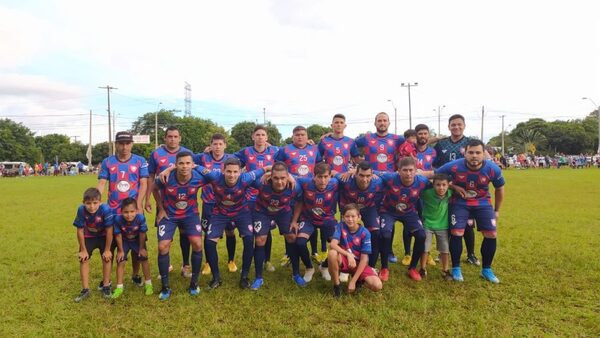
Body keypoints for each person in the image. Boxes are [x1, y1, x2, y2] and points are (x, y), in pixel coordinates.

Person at [436, 139, 505, 283]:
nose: (474, 156)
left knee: (491, 234)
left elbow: (499, 189)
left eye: (478, 152)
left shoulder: (492, 169)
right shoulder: (454, 166)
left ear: (483, 154)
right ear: (465, 153)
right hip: (460, 202)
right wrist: (454, 187)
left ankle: (486, 269)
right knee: (457, 232)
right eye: (471, 152)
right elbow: (436, 176)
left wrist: (497, 210)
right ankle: (456, 268)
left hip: (483, 202)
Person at [197, 158, 270, 289]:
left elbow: (266, 168)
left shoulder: (246, 178)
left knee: (249, 239)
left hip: (241, 212)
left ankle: (244, 276)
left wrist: (288, 177)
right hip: (220, 212)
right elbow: (193, 166)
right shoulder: (214, 176)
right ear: (223, 171)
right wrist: (168, 170)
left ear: (240, 172)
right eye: (229, 171)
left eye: (235, 172)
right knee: (209, 241)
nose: (232, 175)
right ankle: (216, 278)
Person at [96, 131, 149, 286]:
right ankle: (107, 280)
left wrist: (139, 204)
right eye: (121, 143)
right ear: (116, 144)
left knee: (137, 244)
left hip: (134, 211)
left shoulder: (140, 161)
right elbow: (101, 183)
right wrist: (97, 202)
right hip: (113, 212)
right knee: (111, 246)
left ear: (132, 144)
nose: (124, 147)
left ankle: (135, 275)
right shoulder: (107, 161)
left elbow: (144, 183)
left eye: (127, 143)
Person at [154, 151, 208, 300]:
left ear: (192, 164)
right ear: (175, 165)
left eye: (188, 163)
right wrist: (161, 209)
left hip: (190, 215)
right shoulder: (166, 177)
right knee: (162, 246)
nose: (184, 166)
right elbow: (153, 188)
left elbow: (215, 180)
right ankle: (165, 286)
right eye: (181, 163)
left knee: (197, 244)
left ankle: (194, 283)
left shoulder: (199, 178)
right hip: (169, 215)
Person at [355, 112, 405, 264]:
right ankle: (365, 248)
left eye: (384, 120)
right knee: (370, 218)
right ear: (375, 123)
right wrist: (359, 163)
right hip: (370, 183)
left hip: (389, 185)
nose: (382, 123)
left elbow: (415, 140)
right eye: (379, 120)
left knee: (388, 217)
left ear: (389, 123)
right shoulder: (367, 138)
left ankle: (388, 251)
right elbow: (349, 144)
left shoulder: (397, 138)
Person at [146, 126, 193, 278]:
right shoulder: (156, 154)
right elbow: (151, 178)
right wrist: (150, 200)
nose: (172, 139)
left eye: (175, 136)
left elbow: (198, 167)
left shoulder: (188, 153)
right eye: (170, 136)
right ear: (165, 138)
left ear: (180, 138)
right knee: (165, 237)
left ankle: (186, 265)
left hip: (184, 204)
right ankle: (167, 266)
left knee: (185, 236)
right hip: (164, 203)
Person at [432, 114, 480, 266]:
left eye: (459, 124)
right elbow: (435, 166)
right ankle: (443, 252)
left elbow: (482, 161)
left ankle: (471, 254)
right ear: (449, 127)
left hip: (466, 191)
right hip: (446, 189)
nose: (456, 127)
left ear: (464, 126)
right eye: (453, 124)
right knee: (447, 222)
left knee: (467, 224)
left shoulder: (469, 143)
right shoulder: (441, 144)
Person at [275, 126, 324, 265]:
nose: (300, 137)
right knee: (290, 222)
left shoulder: (314, 149)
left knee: (312, 219)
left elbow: (320, 166)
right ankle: (288, 253)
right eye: (297, 135)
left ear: (307, 136)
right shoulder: (285, 150)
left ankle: (314, 252)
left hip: (310, 190)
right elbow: (278, 166)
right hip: (292, 191)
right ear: (292, 136)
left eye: (302, 134)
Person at [376, 157, 431, 282]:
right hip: (388, 211)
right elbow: (372, 172)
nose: (408, 173)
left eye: (411, 170)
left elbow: (439, 181)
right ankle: (384, 268)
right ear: (398, 171)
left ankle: (412, 268)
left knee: (421, 236)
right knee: (385, 235)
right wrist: (353, 171)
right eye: (405, 170)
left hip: (409, 212)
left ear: (416, 170)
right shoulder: (390, 178)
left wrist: (453, 186)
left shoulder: (422, 181)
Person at [234, 125, 279, 273]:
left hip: (268, 198)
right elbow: (227, 158)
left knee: (267, 231)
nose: (260, 137)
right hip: (249, 198)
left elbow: (293, 154)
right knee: (249, 232)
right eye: (257, 135)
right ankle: (248, 262)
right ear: (253, 137)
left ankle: (267, 261)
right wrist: (210, 150)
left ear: (267, 138)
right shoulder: (246, 152)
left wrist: (311, 142)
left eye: (263, 135)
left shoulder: (275, 151)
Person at [249, 161, 300, 289]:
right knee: (260, 240)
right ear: (270, 177)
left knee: (292, 237)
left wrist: (294, 221)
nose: (279, 182)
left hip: (283, 212)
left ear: (288, 177)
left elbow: (300, 201)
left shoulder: (295, 186)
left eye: (283, 178)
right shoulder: (262, 183)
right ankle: (258, 277)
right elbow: (245, 177)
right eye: (276, 178)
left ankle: (296, 274)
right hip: (262, 212)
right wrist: (264, 170)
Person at [194, 133, 236, 275]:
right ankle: (208, 263)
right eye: (215, 144)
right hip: (209, 202)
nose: (217, 147)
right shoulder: (202, 157)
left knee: (230, 231)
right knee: (208, 233)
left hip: (227, 203)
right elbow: (183, 157)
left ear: (225, 145)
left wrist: (269, 146)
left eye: (220, 144)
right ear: (210, 146)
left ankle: (231, 260)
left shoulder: (232, 159)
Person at [291, 162, 339, 282]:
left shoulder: (335, 183)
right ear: (314, 176)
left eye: (326, 177)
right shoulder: (305, 183)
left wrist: (352, 171)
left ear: (330, 176)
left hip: (327, 219)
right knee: (300, 242)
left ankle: (324, 266)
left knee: (337, 243)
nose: (323, 181)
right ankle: (309, 268)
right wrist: (294, 221)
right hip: (308, 219)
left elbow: (351, 177)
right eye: (319, 177)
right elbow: (287, 175)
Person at [336, 161, 385, 270]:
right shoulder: (346, 179)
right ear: (355, 174)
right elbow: (332, 173)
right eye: (361, 175)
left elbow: (392, 177)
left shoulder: (378, 182)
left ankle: (370, 267)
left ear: (372, 175)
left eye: (368, 176)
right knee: (344, 234)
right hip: (349, 208)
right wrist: (348, 172)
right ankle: (344, 265)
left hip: (368, 208)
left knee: (375, 234)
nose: (364, 179)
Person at [328, 204, 383, 297]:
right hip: (344, 261)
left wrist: (352, 281)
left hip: (359, 264)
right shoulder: (340, 226)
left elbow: (364, 259)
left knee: (377, 286)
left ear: (359, 217)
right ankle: (337, 286)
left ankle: (358, 280)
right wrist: (348, 255)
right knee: (332, 253)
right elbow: (333, 244)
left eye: (353, 216)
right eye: (347, 216)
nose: (350, 219)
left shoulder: (365, 233)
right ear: (343, 217)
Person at [72, 188, 114, 302]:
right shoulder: (81, 210)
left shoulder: (106, 209)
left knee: (107, 258)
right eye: (88, 203)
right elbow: (80, 230)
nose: (91, 206)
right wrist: (83, 250)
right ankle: (85, 289)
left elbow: (110, 230)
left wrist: (107, 249)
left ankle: (106, 285)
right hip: (88, 236)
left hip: (103, 236)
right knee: (83, 258)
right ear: (83, 202)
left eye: (95, 203)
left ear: (100, 202)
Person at [111, 198, 153, 298]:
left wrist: (142, 248)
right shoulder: (117, 219)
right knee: (120, 260)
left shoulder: (141, 218)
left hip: (137, 241)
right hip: (124, 241)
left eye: (132, 212)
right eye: (126, 212)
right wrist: (120, 251)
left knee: (144, 259)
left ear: (136, 211)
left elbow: (143, 233)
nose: (129, 215)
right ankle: (119, 287)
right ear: (121, 212)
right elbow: (118, 235)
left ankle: (148, 284)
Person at [419, 174, 452, 280]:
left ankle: (445, 270)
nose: (441, 188)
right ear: (433, 185)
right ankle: (422, 268)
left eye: (444, 185)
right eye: (438, 185)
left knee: (445, 249)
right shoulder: (426, 193)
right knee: (425, 248)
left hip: (443, 226)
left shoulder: (451, 193)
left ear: (448, 185)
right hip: (427, 225)